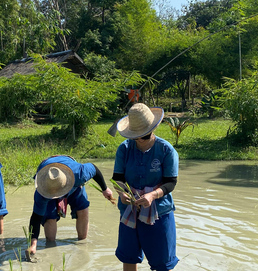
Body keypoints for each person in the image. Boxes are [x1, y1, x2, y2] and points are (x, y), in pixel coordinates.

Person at [113, 103, 179, 271]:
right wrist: (121, 193)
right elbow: (117, 178)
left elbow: (170, 182)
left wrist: (152, 195)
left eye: (143, 135)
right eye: (136, 136)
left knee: (162, 263)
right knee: (129, 257)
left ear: (152, 130)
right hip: (130, 210)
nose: (139, 140)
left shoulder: (166, 150)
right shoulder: (124, 149)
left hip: (159, 212)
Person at [25, 155, 114, 259]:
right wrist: (33, 245)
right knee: (49, 218)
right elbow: (36, 218)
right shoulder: (42, 192)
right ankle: (51, 248)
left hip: (72, 183)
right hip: (48, 180)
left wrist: (105, 189)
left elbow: (94, 168)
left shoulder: (79, 174)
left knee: (82, 208)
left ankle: (82, 244)